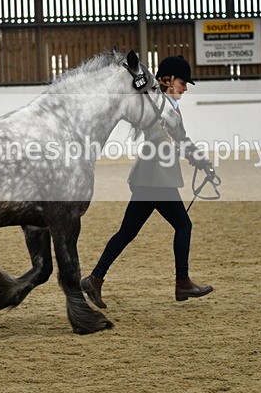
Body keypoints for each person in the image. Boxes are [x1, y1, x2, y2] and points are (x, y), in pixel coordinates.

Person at [81, 55, 214, 307]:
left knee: (127, 232)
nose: (185, 89)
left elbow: (181, 138)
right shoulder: (155, 104)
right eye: (182, 83)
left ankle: (94, 279)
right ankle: (182, 282)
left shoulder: (171, 107)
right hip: (156, 179)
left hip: (150, 179)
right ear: (167, 80)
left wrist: (201, 162)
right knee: (183, 225)